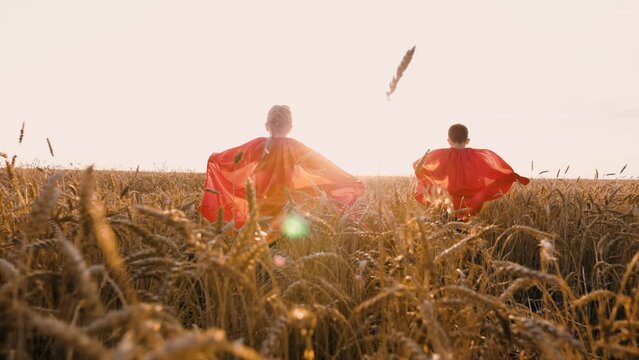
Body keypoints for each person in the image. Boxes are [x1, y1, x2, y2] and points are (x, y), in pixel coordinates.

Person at [199, 105, 364, 229]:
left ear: (267, 125)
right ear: (290, 126)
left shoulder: (258, 145)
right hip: (285, 204)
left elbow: (228, 160)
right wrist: (348, 180)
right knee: (279, 244)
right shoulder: (296, 147)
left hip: (258, 204)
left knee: (258, 243)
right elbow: (325, 166)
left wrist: (214, 158)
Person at [413, 124, 529, 220]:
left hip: (448, 200)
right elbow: (490, 170)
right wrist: (512, 176)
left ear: (448, 140)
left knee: (448, 230)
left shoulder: (441, 154)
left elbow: (418, 165)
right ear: (467, 140)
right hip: (472, 201)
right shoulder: (476, 156)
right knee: (468, 232)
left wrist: (424, 177)